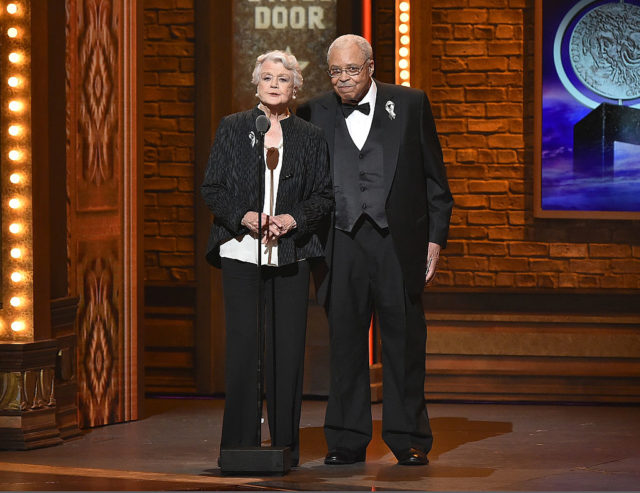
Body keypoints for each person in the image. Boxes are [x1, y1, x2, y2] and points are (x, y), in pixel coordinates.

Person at [297, 35, 453, 466]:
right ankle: (346, 441)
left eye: (351, 69)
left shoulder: (411, 104)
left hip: (397, 244)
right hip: (340, 244)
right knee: (345, 345)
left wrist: (435, 239)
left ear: (370, 66)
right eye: (335, 71)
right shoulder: (314, 110)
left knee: (403, 344)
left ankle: (409, 439)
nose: (343, 79)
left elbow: (436, 183)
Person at [201, 50, 333, 467]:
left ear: (295, 87)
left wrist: (293, 219)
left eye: (283, 78)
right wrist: (244, 215)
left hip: (290, 254)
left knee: (286, 351)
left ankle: (285, 446)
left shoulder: (310, 137)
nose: (274, 83)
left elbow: (324, 196)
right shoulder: (234, 128)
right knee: (243, 348)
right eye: (267, 77)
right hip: (242, 250)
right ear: (256, 84)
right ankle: (238, 445)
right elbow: (213, 188)